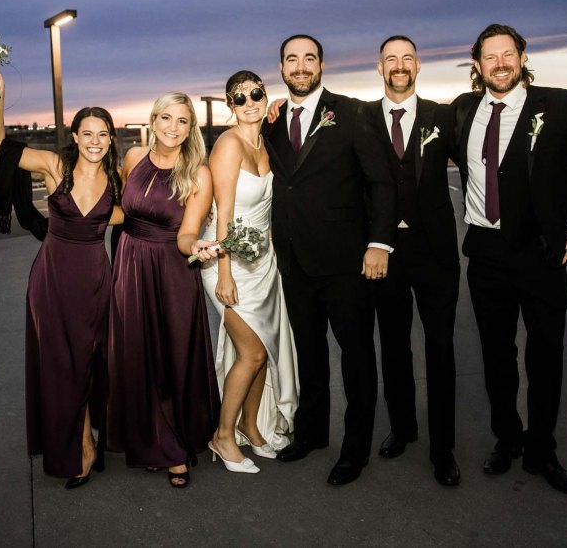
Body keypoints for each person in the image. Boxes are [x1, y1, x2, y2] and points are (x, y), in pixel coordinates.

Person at [451, 24, 567, 496]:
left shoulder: (559, 105)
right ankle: (508, 439)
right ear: (477, 64)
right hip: (484, 254)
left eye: (508, 54)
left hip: (541, 255)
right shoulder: (463, 110)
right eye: (490, 57)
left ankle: (542, 450)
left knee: (545, 355)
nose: (499, 63)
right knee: (496, 356)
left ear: (522, 57)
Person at [264, 34, 396, 486]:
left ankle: (354, 450)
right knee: (309, 355)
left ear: (322, 65)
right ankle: (312, 433)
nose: (300, 67)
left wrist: (379, 243)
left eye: (309, 59)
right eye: (291, 60)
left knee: (356, 359)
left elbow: (381, 182)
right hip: (294, 259)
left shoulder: (352, 112)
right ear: (281, 68)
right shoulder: (271, 123)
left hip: (347, 262)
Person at [0, 66, 122, 490]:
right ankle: (82, 445)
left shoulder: (118, 182)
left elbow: (134, 215)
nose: (95, 141)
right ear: (75, 136)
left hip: (96, 279)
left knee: (91, 361)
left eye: (103, 134)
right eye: (88, 133)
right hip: (52, 278)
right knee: (61, 365)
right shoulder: (53, 166)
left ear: (111, 139)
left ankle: (96, 435)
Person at [107, 92, 221, 489]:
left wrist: (198, 248)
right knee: (138, 353)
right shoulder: (133, 158)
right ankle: (149, 439)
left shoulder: (199, 173)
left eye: (183, 121)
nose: (173, 128)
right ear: (153, 120)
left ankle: (174, 448)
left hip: (173, 266)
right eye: (166, 118)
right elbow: (123, 211)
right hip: (130, 261)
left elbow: (188, 232)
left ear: (192, 129)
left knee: (173, 355)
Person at [363, 36, 461, 486]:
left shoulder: (443, 116)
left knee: (440, 351)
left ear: (418, 65)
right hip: (385, 254)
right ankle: (403, 428)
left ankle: (444, 450)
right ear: (379, 67)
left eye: (406, 59)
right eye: (390, 60)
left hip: (435, 252)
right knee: (394, 347)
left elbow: (488, 161)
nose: (399, 66)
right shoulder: (360, 117)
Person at [193, 71, 299, 475]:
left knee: (261, 352)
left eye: (256, 93)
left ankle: (251, 428)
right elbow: (222, 216)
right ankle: (222, 435)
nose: (249, 101)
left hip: (263, 261)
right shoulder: (227, 145)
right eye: (239, 98)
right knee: (252, 352)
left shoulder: (267, 142)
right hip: (231, 262)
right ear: (229, 105)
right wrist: (224, 273)